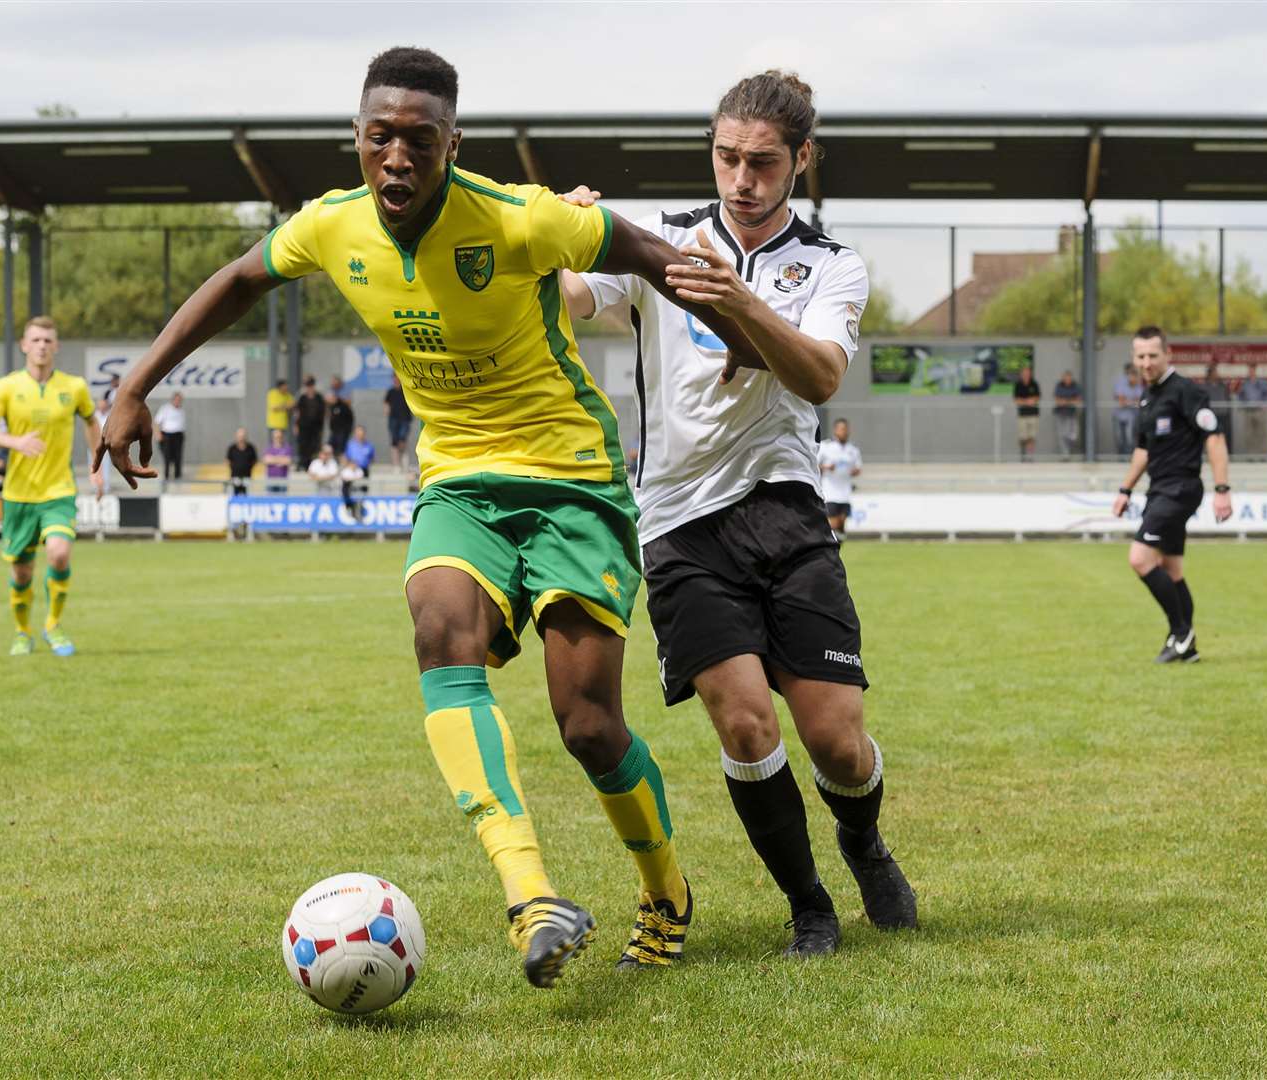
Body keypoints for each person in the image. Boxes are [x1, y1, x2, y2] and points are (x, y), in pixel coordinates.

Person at [97, 46, 768, 987]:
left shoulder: (518, 217)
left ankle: (665, 891)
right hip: (458, 482)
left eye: (420, 139)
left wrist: (743, 340)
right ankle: (530, 894)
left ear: (453, 142)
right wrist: (133, 385)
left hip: (572, 479)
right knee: (437, 628)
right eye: (381, 139)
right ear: (358, 140)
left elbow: (657, 259)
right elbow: (240, 279)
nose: (398, 159)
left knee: (586, 723)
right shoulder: (332, 226)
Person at [562, 68, 915, 957]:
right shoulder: (662, 242)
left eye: (762, 162)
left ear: (801, 161)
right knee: (747, 722)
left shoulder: (831, 265)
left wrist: (740, 302)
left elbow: (820, 376)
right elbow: (570, 299)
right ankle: (808, 905)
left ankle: (862, 840)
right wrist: (556, 241)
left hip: (786, 512)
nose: (741, 179)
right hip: (678, 523)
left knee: (836, 741)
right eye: (726, 158)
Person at [0, 315, 104, 658]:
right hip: (18, 494)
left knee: (59, 554)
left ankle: (53, 626)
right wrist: (15, 442)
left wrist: (96, 464)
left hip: (59, 490)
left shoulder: (74, 387)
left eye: (48, 340)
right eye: (36, 340)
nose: (42, 346)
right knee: (22, 570)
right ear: (24, 345)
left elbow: (92, 421)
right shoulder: (6, 387)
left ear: (56, 346)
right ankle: (22, 631)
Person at [1111, 326, 1232, 663]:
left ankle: (1181, 631)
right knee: (1172, 569)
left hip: (1180, 489)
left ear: (1168, 354)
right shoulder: (1148, 396)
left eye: (1153, 355)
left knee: (1139, 558)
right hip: (1159, 490)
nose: (1146, 362)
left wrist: (1222, 490)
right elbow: (1143, 450)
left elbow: (1215, 438)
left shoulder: (1185, 391)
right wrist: (1125, 490)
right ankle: (1186, 646)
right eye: (1140, 356)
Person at [818, 418, 862, 538]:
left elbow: (858, 468)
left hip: (845, 493)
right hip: (830, 492)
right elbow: (814, 465)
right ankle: (831, 549)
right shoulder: (826, 446)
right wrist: (826, 467)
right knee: (833, 524)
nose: (844, 431)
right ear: (835, 430)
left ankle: (837, 548)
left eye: (846, 429)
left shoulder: (853, 449)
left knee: (841, 524)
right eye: (841, 429)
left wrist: (854, 471)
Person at [1237, 363, 1267, 456]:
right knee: (1249, 434)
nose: (1251, 372)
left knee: (1261, 433)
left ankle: (1262, 455)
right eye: (1250, 370)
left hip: (1259, 411)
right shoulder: (1245, 383)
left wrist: (1265, 405)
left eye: (1252, 370)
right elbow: (1240, 396)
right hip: (1249, 411)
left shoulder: (1262, 382)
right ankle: (1251, 455)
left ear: (1256, 371)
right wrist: (1243, 405)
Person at [292, 375, 326, 471]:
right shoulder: (302, 397)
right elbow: (297, 412)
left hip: (316, 427)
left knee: (314, 445)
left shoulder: (319, 397)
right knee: (303, 445)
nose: (309, 388)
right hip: (303, 426)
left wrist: (322, 427)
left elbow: (323, 413)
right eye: (307, 385)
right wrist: (295, 425)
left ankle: (311, 464)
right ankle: (303, 464)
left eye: (311, 385)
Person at [154, 392, 187, 480]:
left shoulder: (181, 410)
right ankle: (166, 475)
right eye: (177, 399)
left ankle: (177, 475)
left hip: (178, 435)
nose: (178, 401)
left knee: (178, 456)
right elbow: (157, 422)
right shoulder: (165, 409)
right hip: (167, 435)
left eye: (180, 400)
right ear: (173, 400)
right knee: (167, 456)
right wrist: (158, 434)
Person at [384, 373, 414, 467]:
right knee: (394, 440)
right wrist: (386, 410)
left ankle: (403, 461)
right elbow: (386, 403)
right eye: (394, 378)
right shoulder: (391, 391)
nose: (396, 380)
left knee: (402, 439)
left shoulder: (406, 390)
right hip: (393, 418)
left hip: (405, 418)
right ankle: (396, 464)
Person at [1012, 365, 1041, 462]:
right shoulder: (1018, 385)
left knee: (1031, 436)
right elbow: (1016, 400)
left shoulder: (1034, 384)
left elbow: (1037, 398)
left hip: (1033, 414)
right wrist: (1027, 401)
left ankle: (1030, 456)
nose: (1026, 375)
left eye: (1028, 373)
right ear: (1021, 374)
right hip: (1022, 414)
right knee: (1023, 436)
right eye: (1024, 373)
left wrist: (1027, 401)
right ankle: (1023, 455)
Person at [1053, 369, 1082, 459]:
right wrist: (1070, 401)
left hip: (1071, 413)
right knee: (1062, 434)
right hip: (1060, 413)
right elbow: (1058, 401)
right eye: (1065, 378)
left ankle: (1068, 451)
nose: (1067, 379)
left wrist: (1065, 401)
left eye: (1069, 378)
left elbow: (1078, 400)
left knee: (1072, 435)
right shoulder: (1059, 385)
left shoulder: (1075, 386)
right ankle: (1065, 455)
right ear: (1063, 378)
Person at [1112, 363, 1140, 457]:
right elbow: (1121, 400)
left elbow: (1138, 400)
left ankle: (1129, 458)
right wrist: (1131, 402)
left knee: (1130, 438)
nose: (1132, 377)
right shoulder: (1121, 382)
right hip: (1118, 415)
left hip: (1131, 416)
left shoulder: (1138, 385)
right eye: (1130, 374)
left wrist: (1128, 401)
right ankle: (1121, 458)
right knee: (1119, 438)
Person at [1202, 363, 1232, 449]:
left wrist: (1227, 412)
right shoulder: (1205, 387)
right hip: (1211, 416)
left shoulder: (1222, 386)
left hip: (1223, 415)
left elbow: (1227, 399)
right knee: (1211, 437)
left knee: (1223, 436)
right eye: (1215, 372)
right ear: (1210, 373)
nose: (1217, 374)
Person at [226, 427, 258, 496]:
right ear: (236, 436)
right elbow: (228, 460)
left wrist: (249, 467)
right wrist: (234, 468)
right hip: (235, 477)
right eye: (240, 436)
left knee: (247, 496)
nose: (241, 438)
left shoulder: (250, 448)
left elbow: (255, 460)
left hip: (247, 477)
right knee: (235, 495)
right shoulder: (232, 448)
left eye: (243, 436)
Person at [325, 388, 355, 455]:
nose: (329, 400)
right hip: (334, 431)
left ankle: (340, 460)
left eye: (330, 398)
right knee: (329, 446)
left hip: (342, 431)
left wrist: (348, 430)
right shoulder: (331, 406)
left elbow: (350, 418)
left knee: (340, 448)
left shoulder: (343, 406)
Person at [262, 427, 292, 493]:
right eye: (276, 437)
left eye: (279, 437)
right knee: (270, 501)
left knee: (282, 501)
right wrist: (280, 459)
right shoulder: (269, 449)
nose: (278, 438)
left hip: (283, 480)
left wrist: (273, 459)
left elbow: (288, 461)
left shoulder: (287, 448)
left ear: (282, 437)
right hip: (271, 480)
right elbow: (266, 460)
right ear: (273, 437)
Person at [265, 378, 294, 443]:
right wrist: (286, 406)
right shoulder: (272, 394)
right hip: (274, 424)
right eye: (285, 386)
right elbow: (274, 407)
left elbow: (292, 404)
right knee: (274, 443)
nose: (286, 388)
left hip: (283, 424)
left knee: (282, 443)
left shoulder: (287, 395)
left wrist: (283, 406)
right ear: (280, 387)